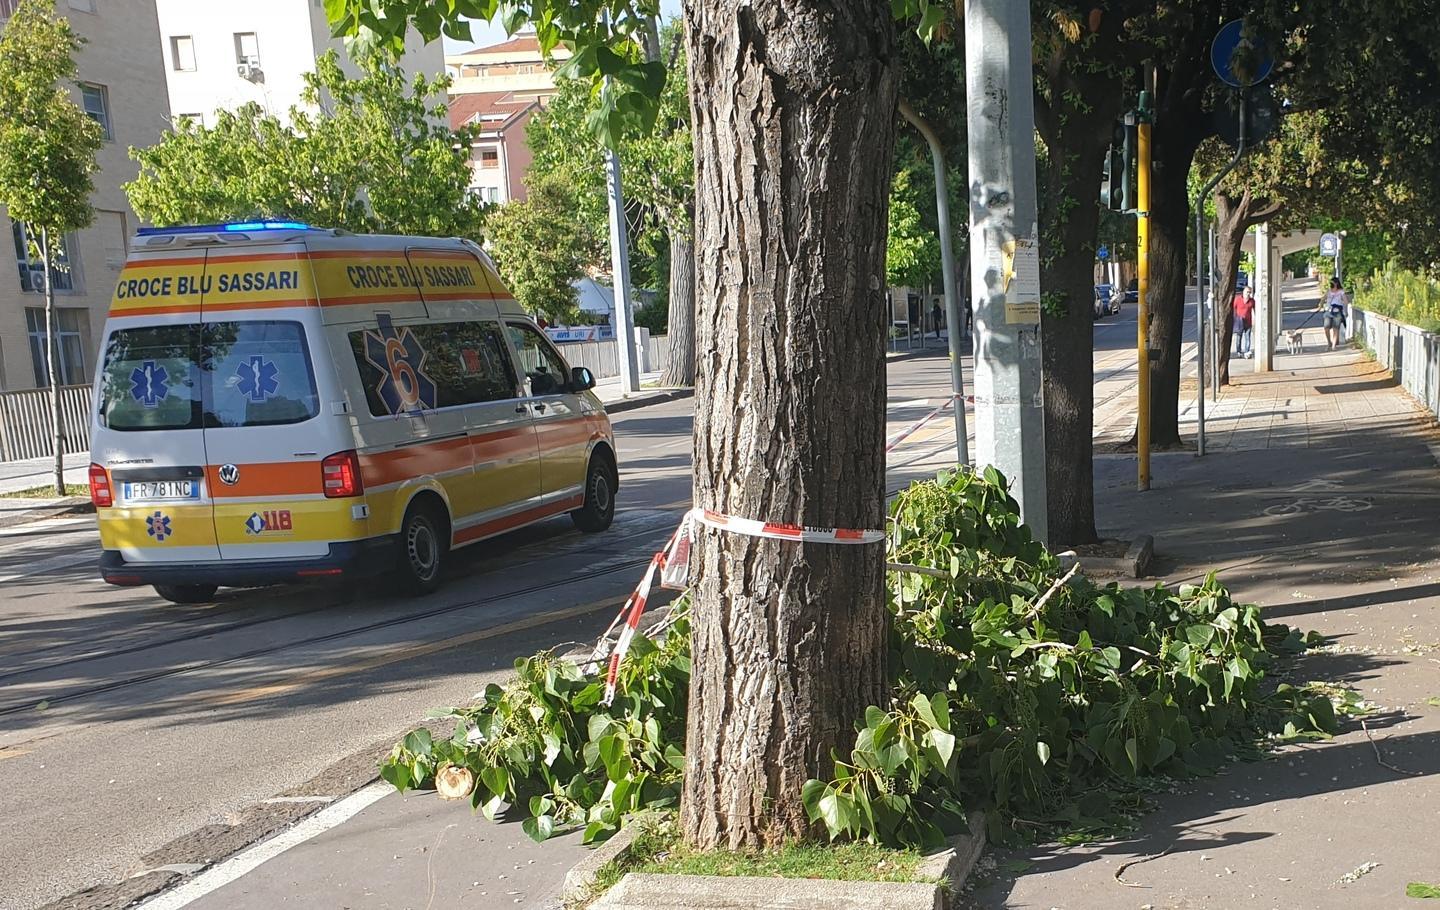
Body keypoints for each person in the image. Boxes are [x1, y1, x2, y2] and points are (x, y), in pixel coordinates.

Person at [1321, 276, 1348, 350]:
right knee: (1326, 327)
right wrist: (1320, 306)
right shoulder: (1329, 291)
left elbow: (1345, 301)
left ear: (1336, 283)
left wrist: (1344, 309)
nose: (1331, 284)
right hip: (1328, 311)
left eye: (1332, 282)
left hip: (1337, 312)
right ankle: (1329, 342)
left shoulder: (1341, 292)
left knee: (1336, 328)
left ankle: (1333, 345)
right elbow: (1323, 299)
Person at [1234, 286, 1256, 359]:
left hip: (1248, 321)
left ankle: (1247, 351)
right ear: (1243, 292)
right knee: (1239, 337)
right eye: (1247, 292)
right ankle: (1239, 351)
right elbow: (1233, 308)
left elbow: (1254, 310)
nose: (1248, 294)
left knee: (1248, 337)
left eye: (1250, 292)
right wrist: (1235, 318)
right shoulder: (1238, 299)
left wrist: (1254, 319)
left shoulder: (1252, 301)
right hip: (1239, 321)